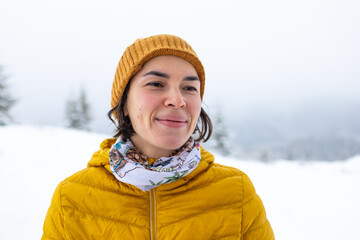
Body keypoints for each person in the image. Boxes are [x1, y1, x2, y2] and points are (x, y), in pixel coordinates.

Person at [42, 34, 274, 240]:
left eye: (189, 88)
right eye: (156, 84)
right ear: (124, 104)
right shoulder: (72, 199)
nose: (177, 99)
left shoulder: (236, 194)